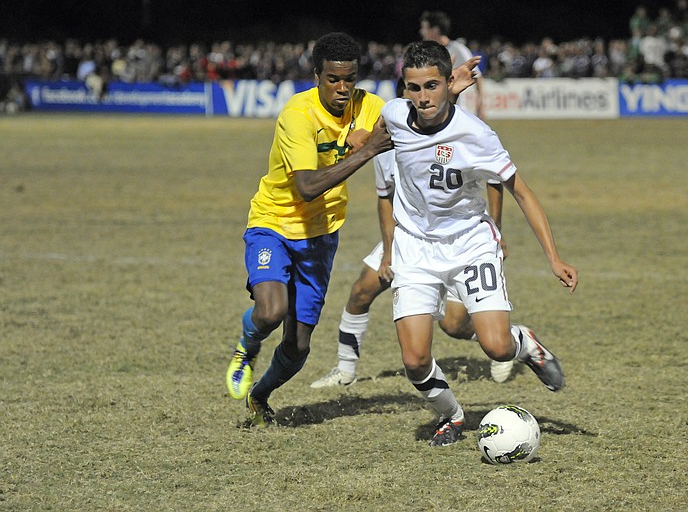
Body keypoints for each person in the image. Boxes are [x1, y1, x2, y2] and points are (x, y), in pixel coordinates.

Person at [384, 40, 578, 446]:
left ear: (447, 82)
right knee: (415, 360)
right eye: (414, 88)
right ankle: (452, 416)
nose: (422, 97)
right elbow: (371, 139)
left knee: (497, 347)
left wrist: (554, 257)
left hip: (471, 243)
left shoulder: (476, 135)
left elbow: (522, 193)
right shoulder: (394, 116)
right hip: (415, 248)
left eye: (432, 86)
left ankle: (525, 344)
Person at [310, 59, 516, 389]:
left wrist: (496, 229)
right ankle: (345, 370)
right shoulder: (385, 144)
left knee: (453, 323)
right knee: (362, 290)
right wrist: (389, 252)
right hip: (409, 234)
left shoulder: (454, 132)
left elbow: (492, 179)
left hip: (457, 235)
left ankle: (512, 341)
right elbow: (385, 198)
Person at [224, 32, 392, 426]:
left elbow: (417, 117)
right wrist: (366, 150)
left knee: (298, 347)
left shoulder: (370, 106)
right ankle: (246, 349)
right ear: (317, 75)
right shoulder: (297, 115)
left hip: (321, 234)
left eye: (349, 79)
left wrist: (449, 90)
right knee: (270, 311)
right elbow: (307, 186)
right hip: (274, 223)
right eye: (333, 79)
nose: (342, 88)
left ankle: (259, 394)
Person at [419, 10, 485, 119]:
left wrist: (481, 103)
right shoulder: (427, 52)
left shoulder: (457, 49)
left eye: (424, 28)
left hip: (456, 111)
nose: (421, 32)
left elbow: (477, 76)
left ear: (435, 30)